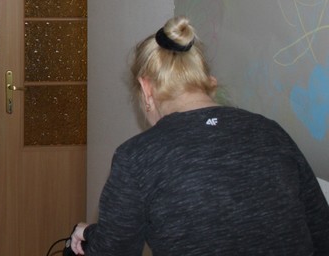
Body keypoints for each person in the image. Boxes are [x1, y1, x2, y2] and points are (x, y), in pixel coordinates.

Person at [69, 16, 329, 256]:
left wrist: (88, 237)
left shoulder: (136, 157)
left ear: (146, 87)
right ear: (207, 80)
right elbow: (321, 233)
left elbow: (113, 250)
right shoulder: (272, 132)